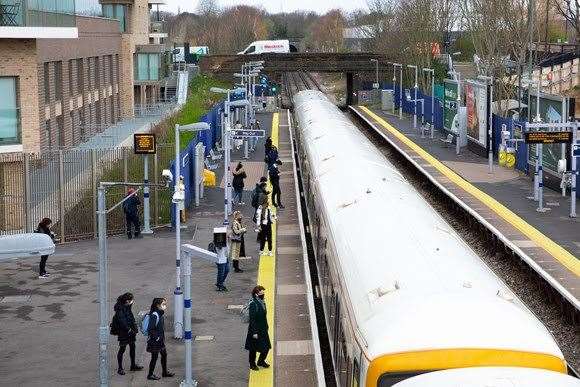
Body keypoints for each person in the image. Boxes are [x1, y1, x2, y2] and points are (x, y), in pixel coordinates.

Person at [113, 292, 142, 375]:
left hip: (130, 330)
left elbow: (130, 316)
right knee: (122, 349)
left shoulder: (127, 306)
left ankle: (133, 365)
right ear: (126, 301)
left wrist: (134, 327)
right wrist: (129, 329)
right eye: (131, 300)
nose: (132, 302)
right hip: (123, 332)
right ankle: (120, 368)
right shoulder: (120, 309)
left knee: (132, 346)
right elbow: (122, 321)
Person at [146, 298, 174, 380]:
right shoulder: (155, 315)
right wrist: (157, 338)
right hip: (155, 341)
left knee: (164, 355)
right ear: (158, 305)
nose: (165, 306)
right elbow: (151, 329)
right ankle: (150, 375)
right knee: (154, 358)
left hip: (160, 340)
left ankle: (164, 372)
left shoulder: (160, 313)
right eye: (163, 304)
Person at [245, 285, 271, 371]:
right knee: (253, 349)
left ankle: (261, 361)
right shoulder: (253, 304)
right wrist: (254, 332)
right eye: (261, 293)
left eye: (263, 293)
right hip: (255, 330)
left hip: (263, 329)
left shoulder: (262, 302)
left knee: (266, 347)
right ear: (256, 294)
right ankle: (252, 364)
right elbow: (252, 319)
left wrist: (266, 326)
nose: (263, 294)